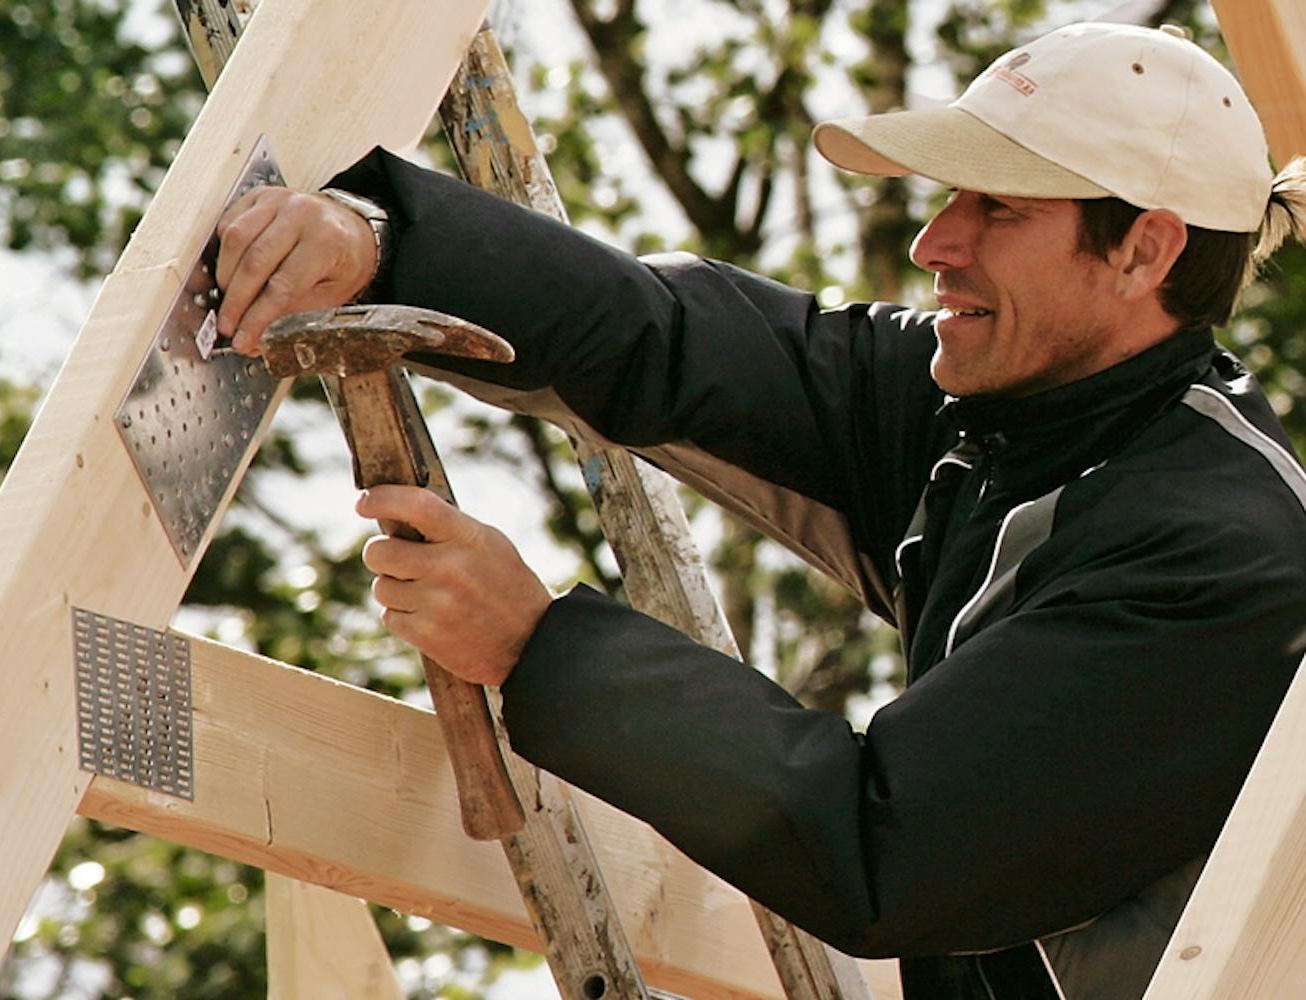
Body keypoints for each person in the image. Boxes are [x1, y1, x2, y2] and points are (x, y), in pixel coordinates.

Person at [214, 22, 1306, 1000]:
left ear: (1146, 249)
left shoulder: (1218, 551)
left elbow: (887, 845)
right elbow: (674, 340)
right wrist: (381, 241)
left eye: (998, 208)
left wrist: (540, 646)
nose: (936, 242)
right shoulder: (1017, 401)